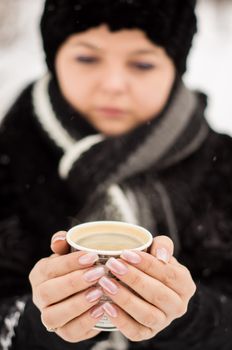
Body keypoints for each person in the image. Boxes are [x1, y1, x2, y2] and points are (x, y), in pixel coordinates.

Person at [0, 0, 232, 349]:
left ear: (175, 67)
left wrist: (187, 316)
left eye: (142, 63)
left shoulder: (223, 167)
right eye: (87, 58)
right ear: (54, 58)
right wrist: (38, 322)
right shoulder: (8, 161)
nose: (113, 84)